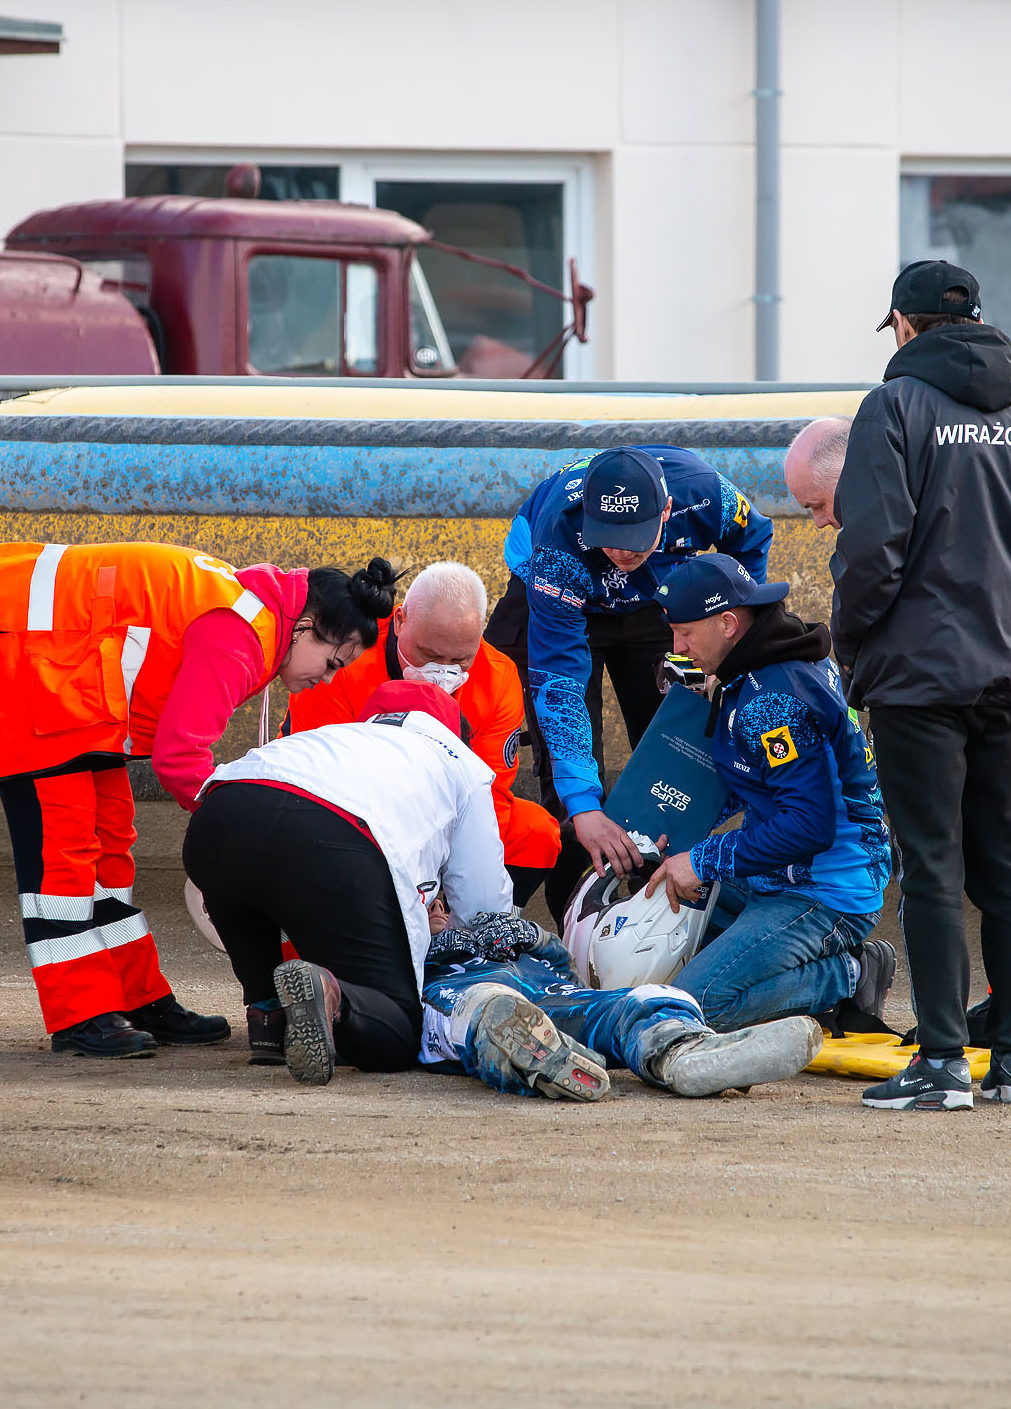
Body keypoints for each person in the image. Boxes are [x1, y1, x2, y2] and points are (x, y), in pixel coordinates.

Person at [0, 541, 395, 1058]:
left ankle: (135, 996)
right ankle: (80, 1013)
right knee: (62, 846)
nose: (326, 678)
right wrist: (236, 836)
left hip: (54, 650)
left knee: (109, 840)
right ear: (309, 626)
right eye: (333, 661)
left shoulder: (256, 615)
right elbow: (180, 757)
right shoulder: (242, 633)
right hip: (21, 644)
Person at [832, 259, 1011, 1113]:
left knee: (932, 866)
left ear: (903, 327)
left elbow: (872, 552)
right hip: (1009, 678)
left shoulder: (895, 408)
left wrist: (855, 643)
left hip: (915, 682)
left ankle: (944, 1060)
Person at [486, 444, 773, 911]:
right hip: (557, 594)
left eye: (635, 535)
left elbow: (753, 540)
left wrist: (728, 635)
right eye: (610, 535)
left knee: (671, 739)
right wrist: (584, 805)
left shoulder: (705, 494)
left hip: (655, 599)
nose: (621, 549)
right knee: (571, 779)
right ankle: (576, 914)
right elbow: (560, 684)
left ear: (666, 510)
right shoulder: (560, 536)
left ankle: (654, 902)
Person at [183, 681, 509, 1085]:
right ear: (455, 731)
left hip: (218, 817)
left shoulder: (338, 738)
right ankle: (332, 992)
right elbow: (484, 907)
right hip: (327, 840)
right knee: (397, 1032)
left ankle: (266, 1014)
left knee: (246, 884)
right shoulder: (460, 761)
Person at [635, 555, 895, 1036]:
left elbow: (809, 825)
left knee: (694, 1008)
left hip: (826, 892)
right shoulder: (767, 659)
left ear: (728, 623)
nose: (678, 646)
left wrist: (703, 859)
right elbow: (763, 784)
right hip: (777, 874)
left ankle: (852, 973)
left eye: (687, 633)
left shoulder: (771, 699)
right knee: (659, 936)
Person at [285, 561, 561, 902]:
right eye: (428, 654)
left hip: (449, 811)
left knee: (535, 831)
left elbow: (491, 795)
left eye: (459, 661)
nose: (441, 672)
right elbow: (321, 779)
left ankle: (484, 932)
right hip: (353, 812)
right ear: (400, 621)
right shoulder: (343, 661)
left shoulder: (498, 678)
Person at [417, 911, 825, 1102]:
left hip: (560, 1003)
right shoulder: (414, 961)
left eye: (442, 905)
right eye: (427, 904)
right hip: (469, 1000)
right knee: (488, 1009)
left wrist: (535, 937)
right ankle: (530, 1061)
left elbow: (568, 971)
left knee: (640, 999)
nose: (437, 910)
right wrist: (426, 953)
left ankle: (683, 1054)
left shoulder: (499, 940)